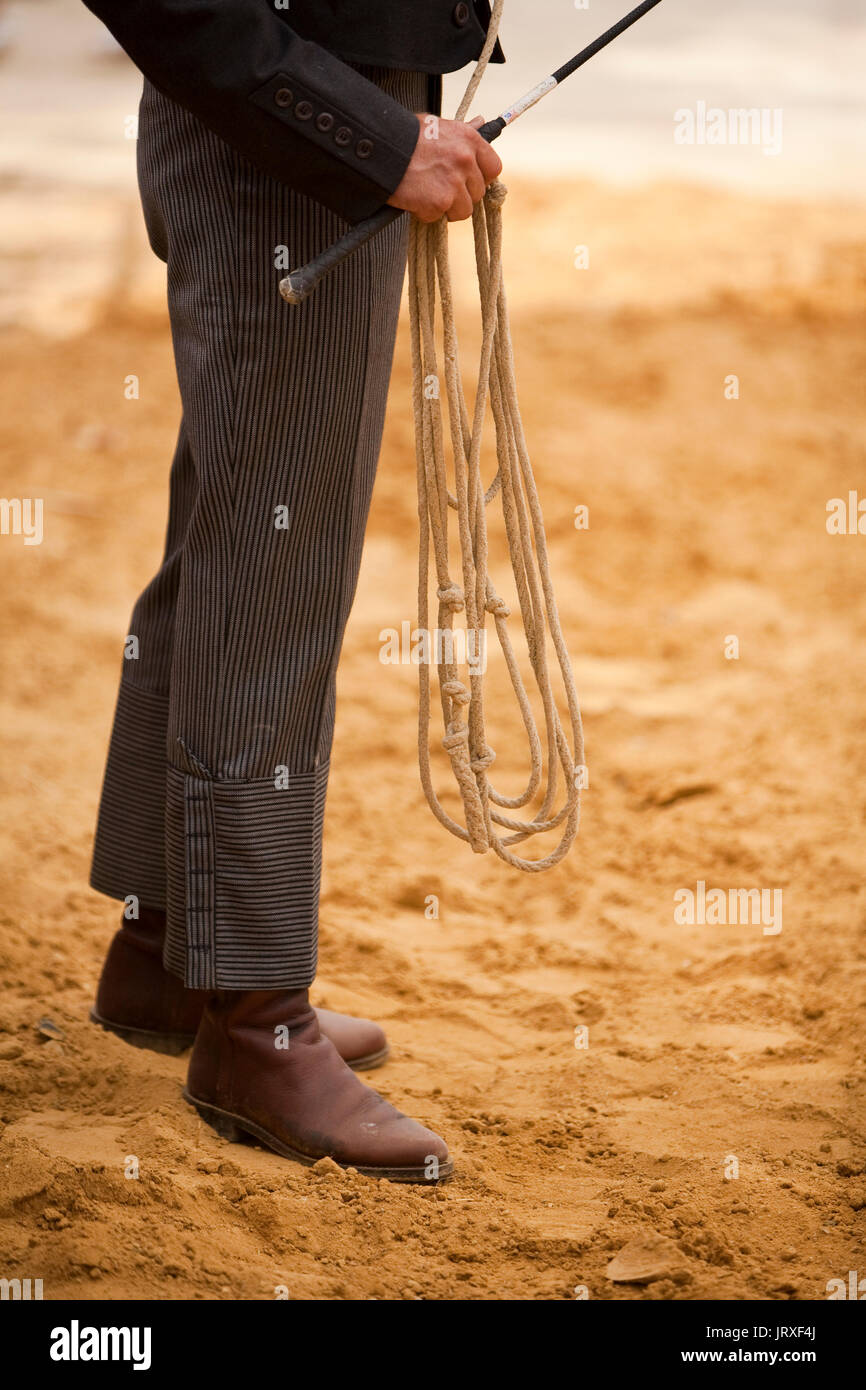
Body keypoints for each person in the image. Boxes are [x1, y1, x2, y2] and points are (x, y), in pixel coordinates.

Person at [83, 0, 503, 1184]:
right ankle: (256, 1023)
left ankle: (168, 945)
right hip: (293, 152)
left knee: (235, 531)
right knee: (276, 571)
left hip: (292, 124)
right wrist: (369, 139)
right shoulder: (328, 136)